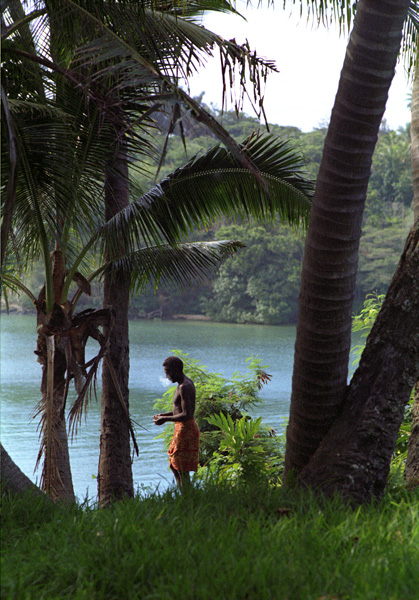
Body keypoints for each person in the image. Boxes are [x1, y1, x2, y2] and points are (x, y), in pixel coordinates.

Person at [153, 356, 200, 489]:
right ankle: (184, 495)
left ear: (176, 370)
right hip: (181, 428)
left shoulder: (185, 386)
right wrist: (164, 415)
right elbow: (179, 410)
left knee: (181, 468)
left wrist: (165, 419)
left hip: (186, 429)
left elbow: (187, 414)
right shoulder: (181, 385)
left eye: (168, 372)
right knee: (174, 466)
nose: (167, 376)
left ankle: (187, 496)